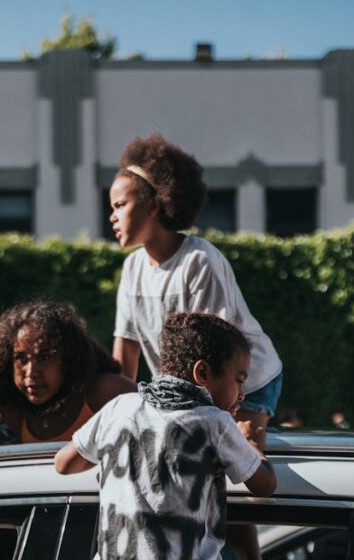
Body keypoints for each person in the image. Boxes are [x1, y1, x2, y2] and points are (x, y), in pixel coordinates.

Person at [55, 311, 279, 560]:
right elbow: (265, 485)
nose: (242, 394)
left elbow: (64, 464)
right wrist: (253, 449)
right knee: (240, 559)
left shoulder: (120, 409)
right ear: (202, 372)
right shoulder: (213, 422)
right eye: (239, 380)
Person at [110, 132, 283, 447]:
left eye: (120, 205)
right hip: (192, 387)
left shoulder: (199, 261)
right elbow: (125, 357)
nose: (112, 216)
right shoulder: (132, 269)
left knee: (234, 462)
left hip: (244, 381)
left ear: (153, 205)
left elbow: (214, 352)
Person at [0, 300, 136, 443]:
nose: (31, 372)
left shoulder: (105, 391)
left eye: (44, 357)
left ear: (69, 358)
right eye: (21, 358)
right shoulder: (14, 412)